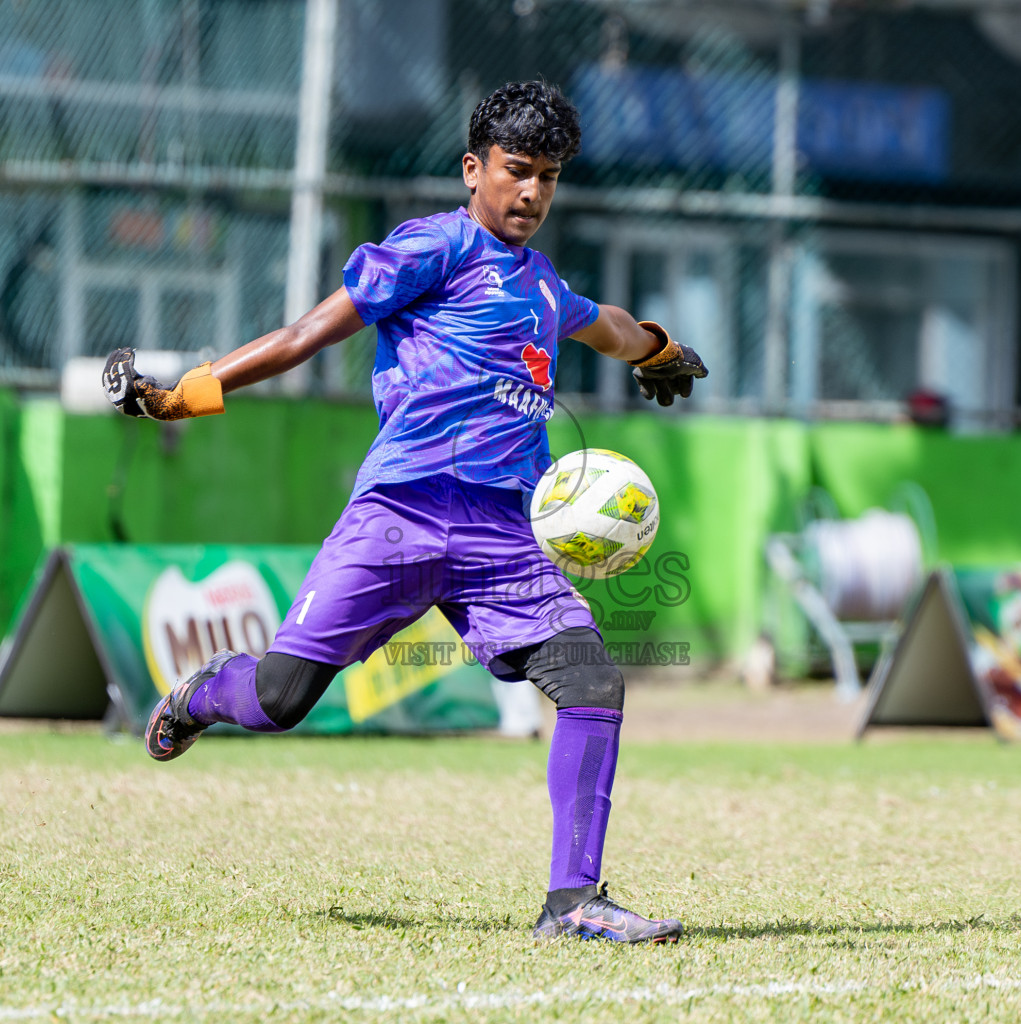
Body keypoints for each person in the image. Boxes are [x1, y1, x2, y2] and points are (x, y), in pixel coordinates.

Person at [100, 80, 707, 944]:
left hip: (505, 532)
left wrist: (658, 348)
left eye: (549, 177)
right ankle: (202, 695)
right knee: (279, 698)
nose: (532, 192)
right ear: (474, 169)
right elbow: (313, 331)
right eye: (517, 171)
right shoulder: (435, 247)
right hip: (402, 513)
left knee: (592, 679)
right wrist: (191, 393)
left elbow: (601, 325)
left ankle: (572, 903)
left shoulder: (542, 286)